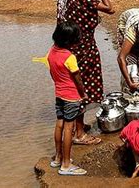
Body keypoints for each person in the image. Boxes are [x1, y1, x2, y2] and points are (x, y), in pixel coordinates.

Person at [56, 0, 114, 145]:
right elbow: (110, 8)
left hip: (68, 46)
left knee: (72, 86)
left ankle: (73, 127)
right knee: (83, 88)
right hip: (83, 48)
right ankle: (79, 134)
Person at [47, 21, 87, 176]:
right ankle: (66, 164)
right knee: (69, 128)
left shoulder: (51, 52)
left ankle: (57, 157)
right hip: (71, 96)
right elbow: (77, 79)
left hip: (59, 94)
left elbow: (52, 73)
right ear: (70, 40)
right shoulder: (70, 57)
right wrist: (82, 94)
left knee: (59, 124)